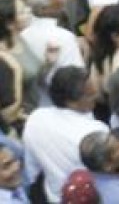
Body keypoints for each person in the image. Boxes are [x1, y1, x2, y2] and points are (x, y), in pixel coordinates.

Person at [22, 66, 107, 203]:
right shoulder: (96, 132)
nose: (96, 96)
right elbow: (107, 175)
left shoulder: (36, 118)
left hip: (51, 196)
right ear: (70, 101)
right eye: (89, 94)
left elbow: (32, 170)